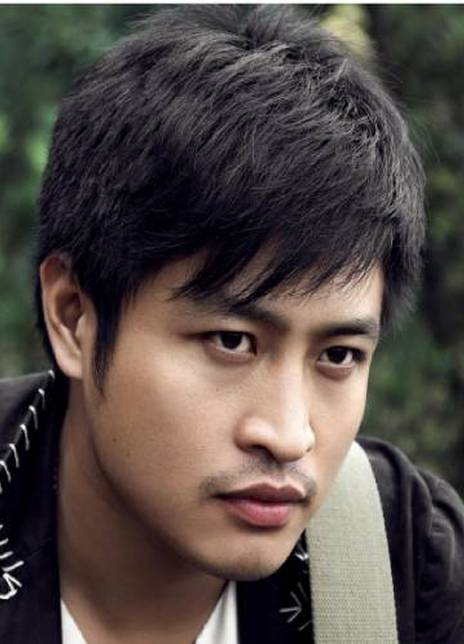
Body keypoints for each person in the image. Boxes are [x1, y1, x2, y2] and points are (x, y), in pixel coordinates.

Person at [0, 5, 463, 643]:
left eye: (337, 355)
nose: (289, 436)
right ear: (73, 314)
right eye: (232, 342)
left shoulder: (408, 564)